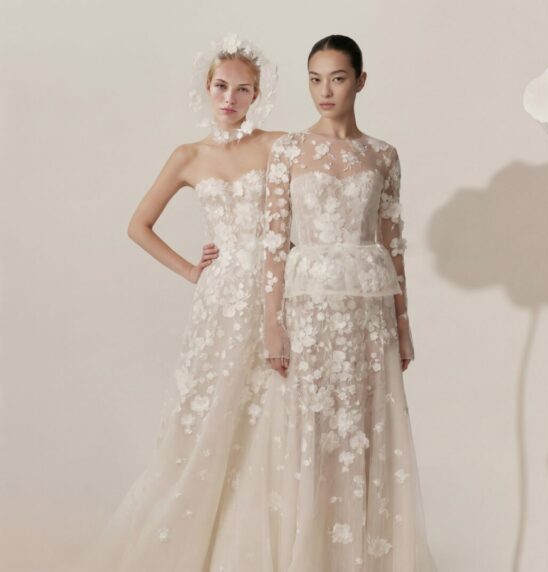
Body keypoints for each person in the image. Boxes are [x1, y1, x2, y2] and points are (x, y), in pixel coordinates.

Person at [79, 35, 285, 571]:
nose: (230, 99)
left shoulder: (279, 146)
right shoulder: (188, 156)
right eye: (221, 86)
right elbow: (138, 226)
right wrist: (193, 271)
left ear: (258, 94)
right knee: (211, 416)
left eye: (243, 89)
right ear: (206, 88)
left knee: (269, 416)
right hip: (220, 304)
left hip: (274, 297)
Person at [258, 34, 436, 570]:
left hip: (368, 311)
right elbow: (274, 243)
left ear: (360, 80)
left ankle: (362, 557)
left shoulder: (383, 155)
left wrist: (403, 324)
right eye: (315, 79)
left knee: (365, 430)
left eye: (337, 78)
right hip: (308, 309)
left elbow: (394, 243)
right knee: (311, 430)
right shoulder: (288, 151)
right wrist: (272, 323)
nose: (325, 91)